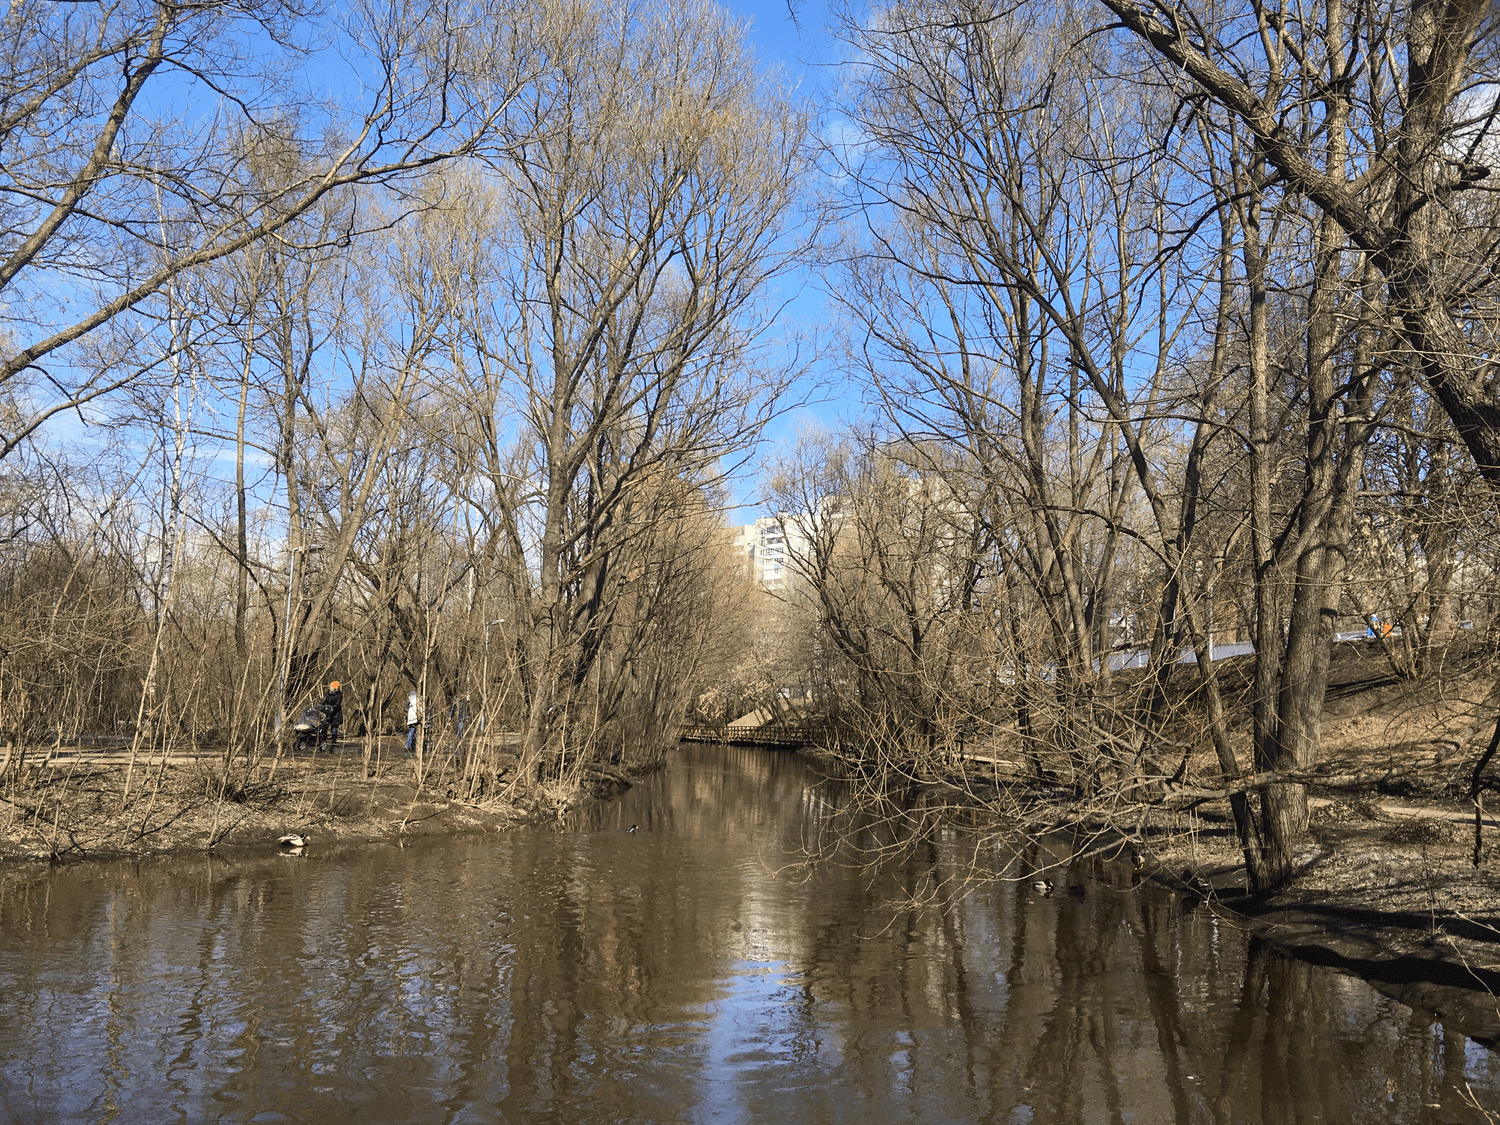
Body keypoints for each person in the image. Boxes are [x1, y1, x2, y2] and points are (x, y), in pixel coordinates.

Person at [318, 681, 343, 752]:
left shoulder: (339, 694)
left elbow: (338, 703)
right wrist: (321, 705)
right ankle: (323, 742)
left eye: (331, 686)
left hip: (336, 714)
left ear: (335, 687)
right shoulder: (328, 693)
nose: (329, 687)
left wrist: (332, 708)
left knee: (334, 728)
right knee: (324, 727)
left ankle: (333, 742)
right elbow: (324, 700)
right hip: (327, 713)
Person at [405, 691, 423, 757]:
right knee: (417, 732)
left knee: (411, 731)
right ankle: (416, 746)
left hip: (411, 718)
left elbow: (405, 708)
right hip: (419, 717)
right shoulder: (421, 698)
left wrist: (408, 712)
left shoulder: (409, 699)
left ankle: (407, 745)